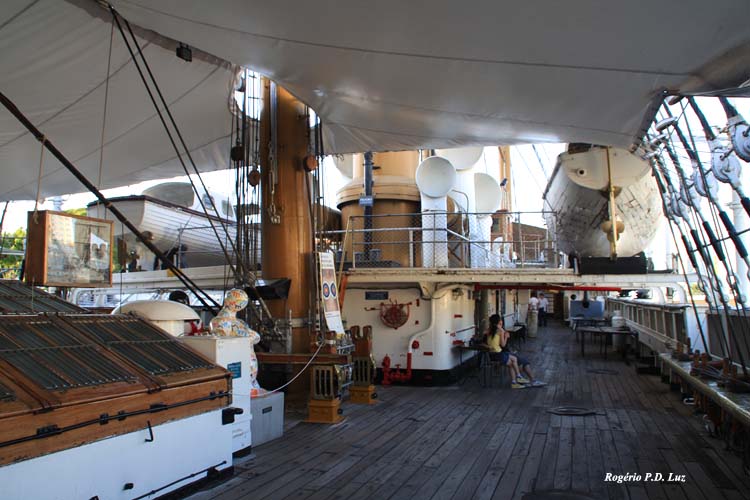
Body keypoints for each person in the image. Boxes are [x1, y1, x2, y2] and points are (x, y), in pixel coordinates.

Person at [484, 314, 545, 388]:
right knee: (516, 361)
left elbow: (488, 338)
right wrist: (506, 337)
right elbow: (503, 345)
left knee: (513, 362)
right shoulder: (500, 331)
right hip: (499, 354)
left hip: (493, 354)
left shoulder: (488, 330)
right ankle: (520, 377)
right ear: (498, 321)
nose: (501, 321)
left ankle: (515, 381)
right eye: (500, 320)